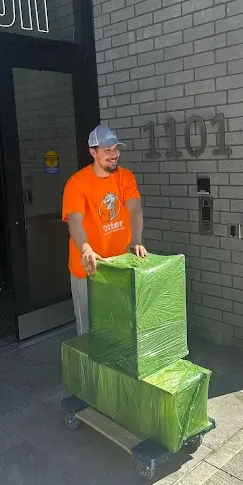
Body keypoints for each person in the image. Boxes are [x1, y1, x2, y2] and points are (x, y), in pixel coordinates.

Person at [62, 125, 147, 335]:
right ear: (93, 152)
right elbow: (74, 220)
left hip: (118, 265)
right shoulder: (77, 183)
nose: (114, 154)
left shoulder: (125, 177)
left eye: (116, 148)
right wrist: (85, 249)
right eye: (107, 150)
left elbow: (135, 209)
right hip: (89, 268)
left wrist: (136, 240)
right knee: (90, 331)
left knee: (118, 326)